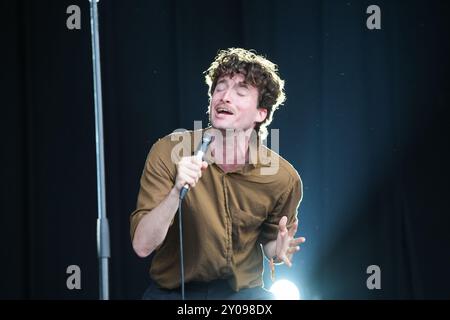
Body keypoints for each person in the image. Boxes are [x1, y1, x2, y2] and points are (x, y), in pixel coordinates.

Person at [130, 48, 306, 300]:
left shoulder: (283, 178)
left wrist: (278, 251)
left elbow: (271, 244)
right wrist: (175, 193)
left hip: (242, 295)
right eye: (220, 87)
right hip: (173, 294)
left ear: (261, 113)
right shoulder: (168, 151)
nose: (225, 97)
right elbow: (142, 245)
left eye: (240, 91)